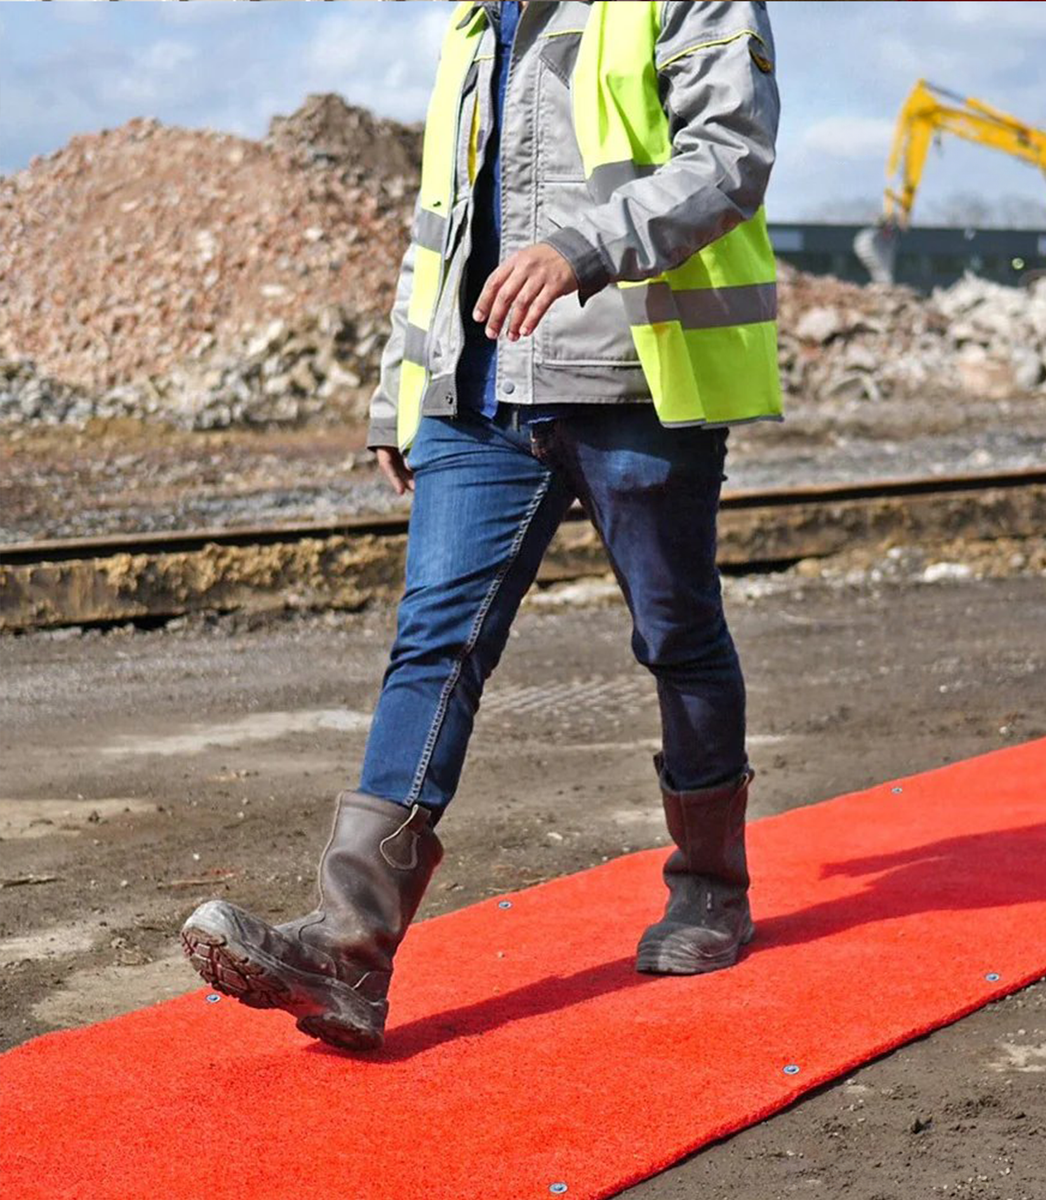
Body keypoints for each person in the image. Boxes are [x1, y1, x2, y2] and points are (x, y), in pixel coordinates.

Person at [182, 0, 783, 1052]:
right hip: (477, 394)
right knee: (432, 644)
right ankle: (347, 954)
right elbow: (443, 221)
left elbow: (730, 156)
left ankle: (710, 891)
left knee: (676, 633)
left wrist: (585, 247)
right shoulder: (473, 22)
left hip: (632, 377)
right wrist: (397, 393)